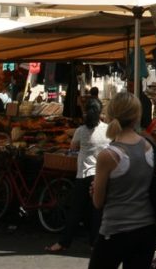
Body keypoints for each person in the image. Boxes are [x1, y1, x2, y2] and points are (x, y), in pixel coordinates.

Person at [89, 91, 156, 269]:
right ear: (137, 116)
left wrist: (96, 190)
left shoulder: (109, 155)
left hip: (115, 230)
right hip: (146, 229)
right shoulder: (148, 146)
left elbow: (98, 202)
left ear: (110, 116)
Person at [46, 103, 109, 254]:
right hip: (100, 175)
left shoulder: (81, 131)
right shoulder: (107, 129)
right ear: (100, 113)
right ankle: (94, 244)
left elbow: (73, 148)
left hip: (84, 175)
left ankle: (64, 242)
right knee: (96, 212)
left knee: (76, 211)